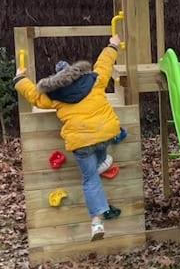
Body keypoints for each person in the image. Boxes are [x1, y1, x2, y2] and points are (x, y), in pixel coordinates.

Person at [14, 37, 124, 240]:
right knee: (102, 153)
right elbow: (105, 63)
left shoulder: (56, 97)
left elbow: (34, 96)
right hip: (106, 134)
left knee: (90, 179)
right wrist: (113, 45)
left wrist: (20, 78)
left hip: (81, 143)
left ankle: (97, 223)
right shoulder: (95, 80)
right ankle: (103, 164)